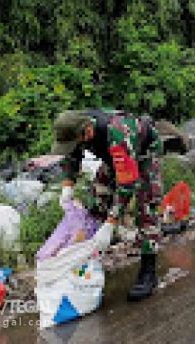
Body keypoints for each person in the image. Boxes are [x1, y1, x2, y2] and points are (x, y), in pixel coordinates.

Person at [52, 109, 163, 301]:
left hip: (143, 155)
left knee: (145, 207)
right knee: (97, 198)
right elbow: (71, 156)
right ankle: (92, 259)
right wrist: (67, 186)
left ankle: (148, 271)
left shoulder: (118, 132)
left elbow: (127, 184)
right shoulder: (75, 126)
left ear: (86, 132)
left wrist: (111, 222)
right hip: (114, 158)